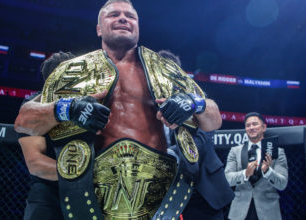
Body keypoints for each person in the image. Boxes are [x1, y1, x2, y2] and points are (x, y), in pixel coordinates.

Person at [15, 0, 222, 219]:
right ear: (98, 28)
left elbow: (214, 119)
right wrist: (69, 108)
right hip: (92, 198)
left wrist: (193, 103)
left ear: (138, 27)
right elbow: (24, 121)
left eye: (130, 16)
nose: (123, 18)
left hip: (157, 199)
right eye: (114, 15)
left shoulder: (165, 72)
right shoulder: (74, 71)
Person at [158, 50, 234, 220]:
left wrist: (172, 156)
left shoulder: (193, 96)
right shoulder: (145, 100)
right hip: (160, 190)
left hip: (201, 188)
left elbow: (205, 134)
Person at [18, 52, 75, 220]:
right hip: (48, 190)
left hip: (87, 191)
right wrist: (83, 177)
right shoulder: (34, 107)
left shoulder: (89, 101)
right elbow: (36, 164)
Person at [224, 112, 288, 220]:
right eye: (248, 125)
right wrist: (245, 173)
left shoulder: (277, 152)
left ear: (263, 127)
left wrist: (268, 171)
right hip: (239, 212)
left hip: (268, 212)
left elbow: (282, 184)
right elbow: (227, 179)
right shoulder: (235, 151)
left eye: (255, 124)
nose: (251, 127)